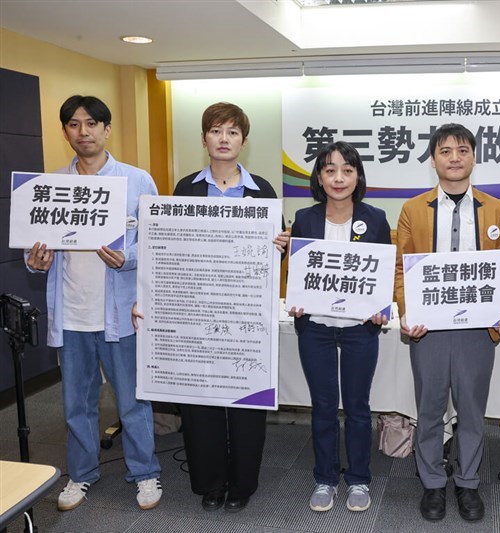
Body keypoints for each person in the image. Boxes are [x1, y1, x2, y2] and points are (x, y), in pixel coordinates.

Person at [25, 95, 162, 511]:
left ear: (106, 129)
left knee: (133, 400)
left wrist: (129, 257)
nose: (82, 132)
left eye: (90, 123)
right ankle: (81, 475)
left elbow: (156, 244)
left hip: (120, 314)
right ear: (65, 130)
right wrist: (35, 262)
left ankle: (145, 472)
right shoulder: (49, 188)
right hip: (71, 314)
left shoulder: (137, 181)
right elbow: (34, 256)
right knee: (75, 404)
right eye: (72, 124)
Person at [167, 102, 289, 513]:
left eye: (233, 133)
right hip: (198, 310)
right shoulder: (185, 189)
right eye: (216, 131)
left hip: (245, 312)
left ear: (243, 141)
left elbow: (277, 255)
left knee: (246, 399)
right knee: (200, 401)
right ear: (204, 139)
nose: (224, 139)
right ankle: (210, 481)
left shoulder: (263, 191)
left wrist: (282, 247)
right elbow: (171, 250)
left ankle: (241, 483)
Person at [395, 123, 500, 522]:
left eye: (462, 150)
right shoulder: (413, 209)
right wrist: (406, 313)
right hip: (428, 329)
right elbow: (400, 269)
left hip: (477, 330)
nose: (454, 158)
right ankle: (432, 483)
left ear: (473, 158)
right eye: (445, 151)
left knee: (471, 410)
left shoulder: (495, 208)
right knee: (429, 410)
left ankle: (466, 483)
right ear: (433, 160)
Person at [288, 141, 391, 513]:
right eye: (330, 170)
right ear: (319, 177)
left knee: (359, 407)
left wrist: (381, 308)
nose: (338, 177)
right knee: (324, 406)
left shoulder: (375, 218)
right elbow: (297, 275)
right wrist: (295, 298)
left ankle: (359, 479)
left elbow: (383, 274)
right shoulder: (304, 218)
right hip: (315, 328)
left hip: (358, 330)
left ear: (358, 175)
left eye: (347, 170)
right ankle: (326, 478)